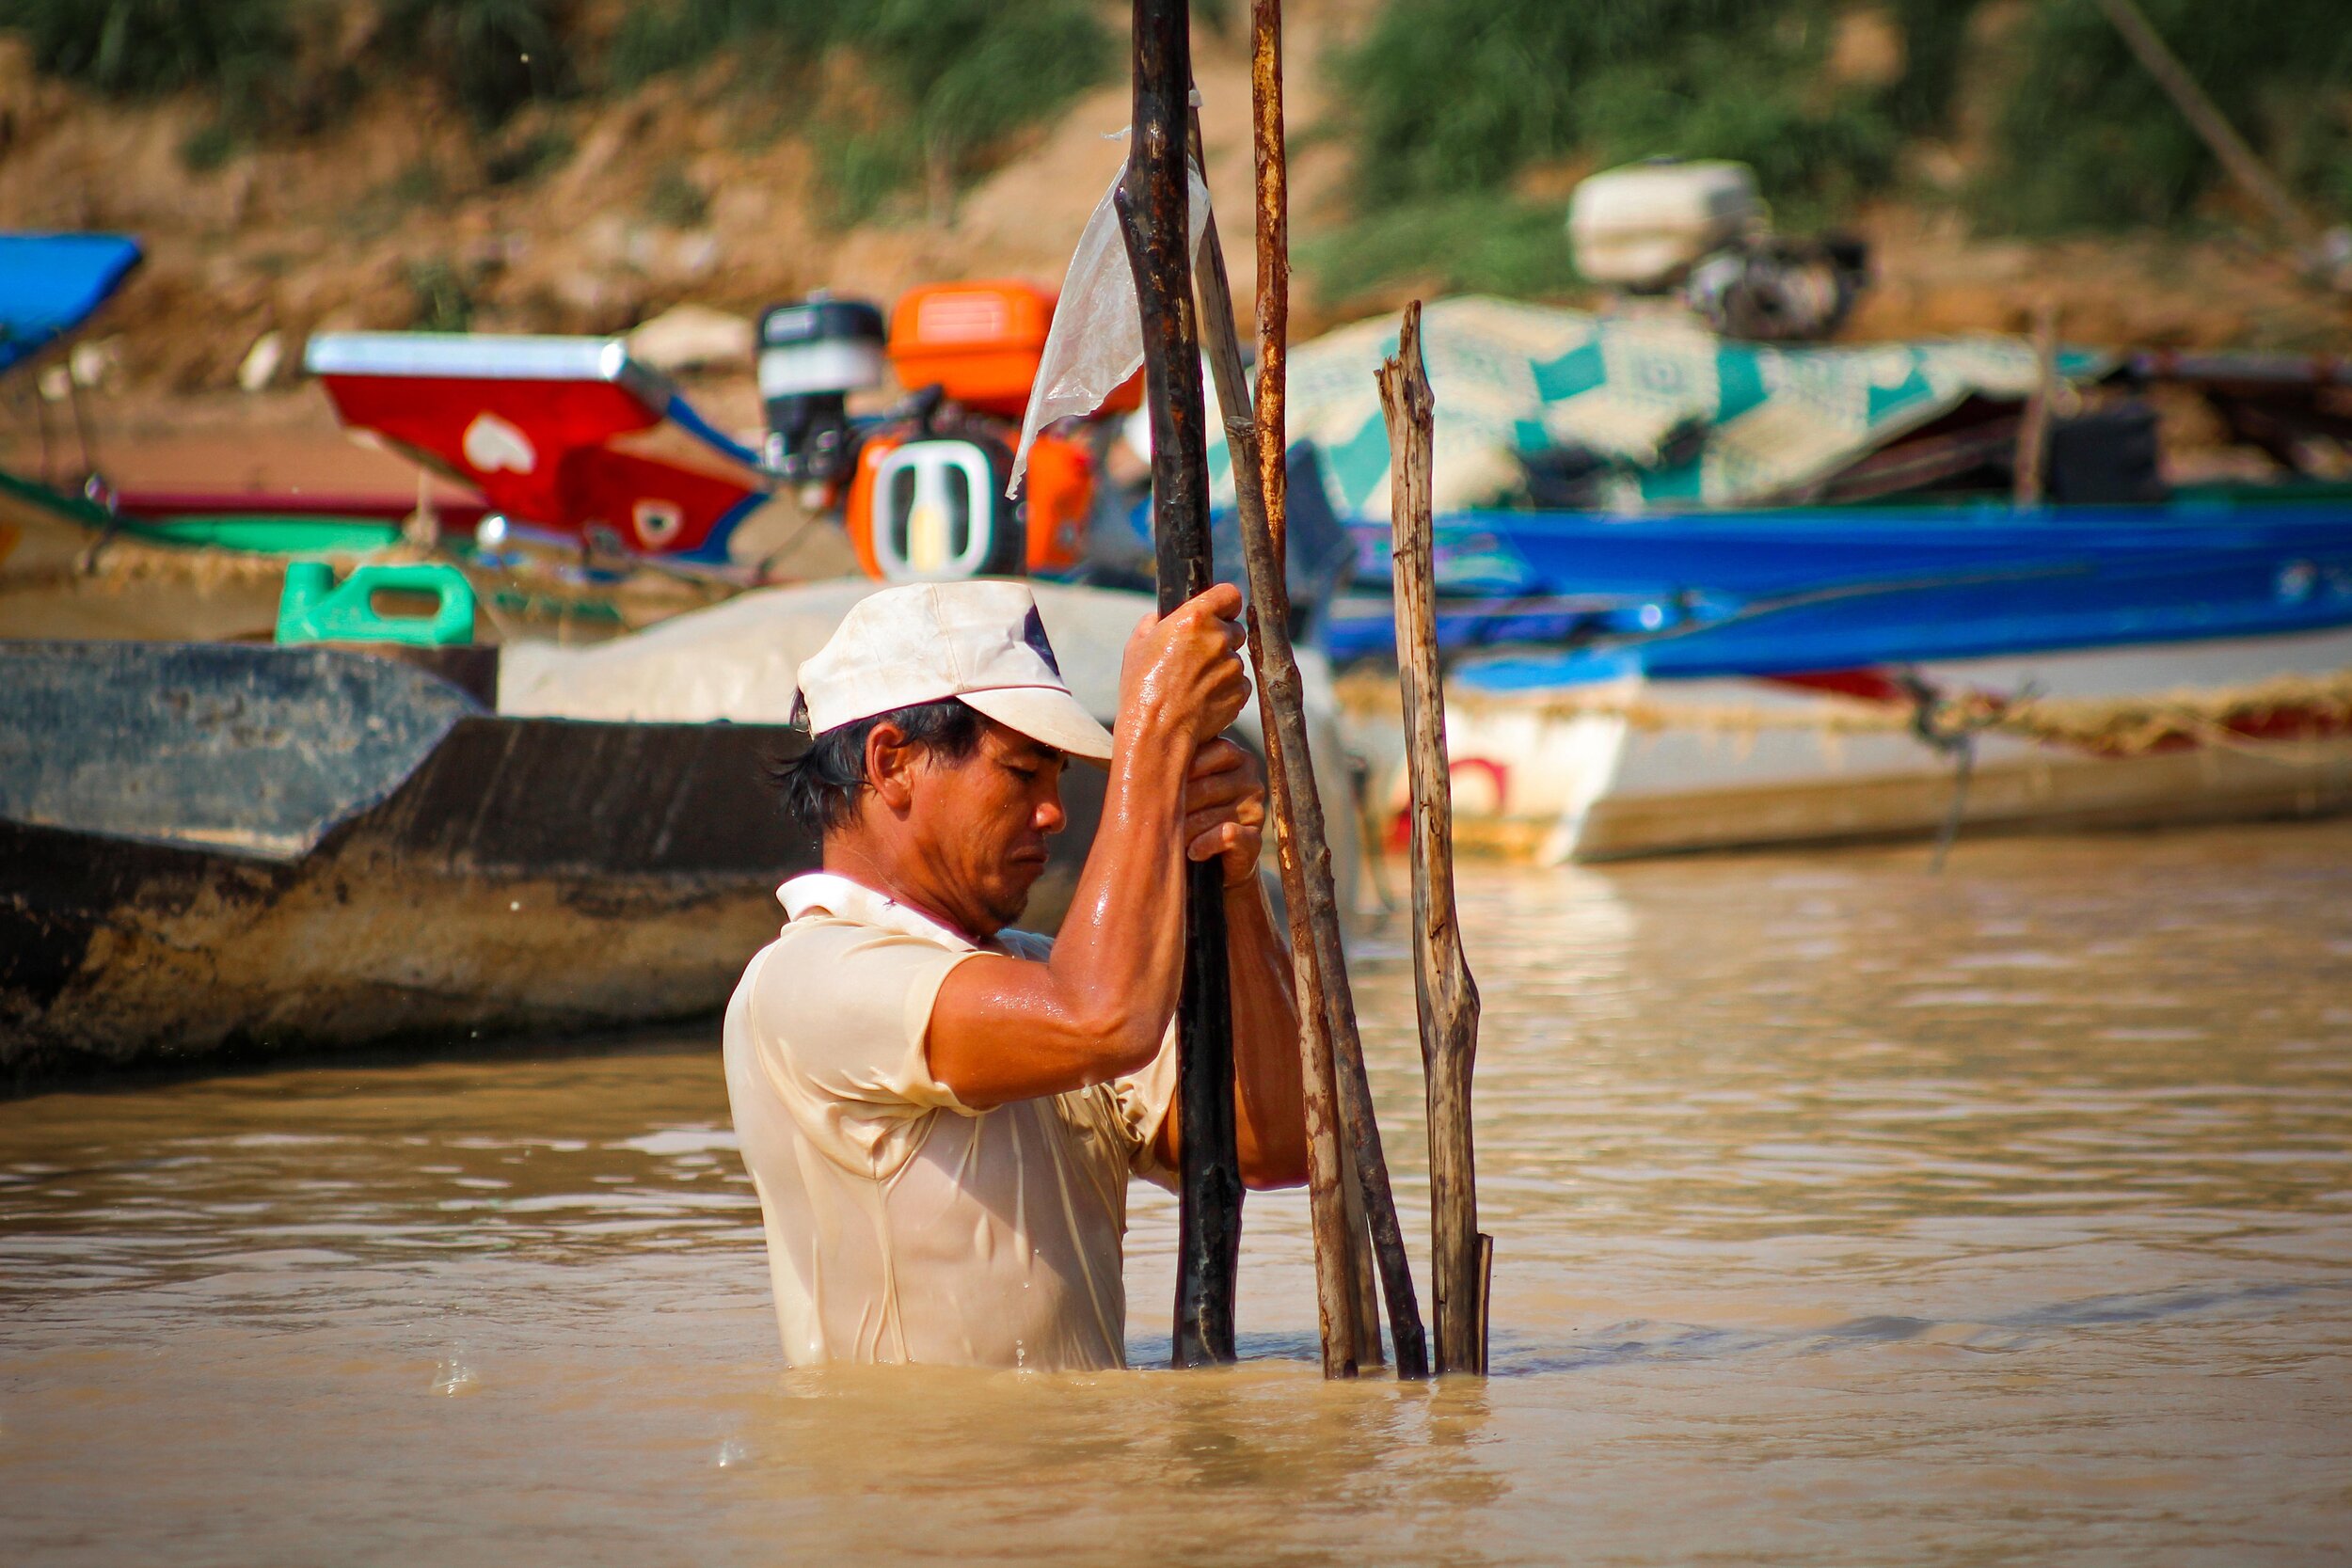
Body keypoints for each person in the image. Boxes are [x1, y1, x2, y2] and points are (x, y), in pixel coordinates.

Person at [723, 578, 1309, 1370]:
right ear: (892, 762)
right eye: (1023, 771)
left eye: (1059, 777)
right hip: (922, 1489)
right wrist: (1157, 739)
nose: (1054, 811)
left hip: (1076, 1487)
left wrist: (1234, 885)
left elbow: (1276, 1145)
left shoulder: (1032, 971)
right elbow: (1101, 1016)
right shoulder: (806, 980)